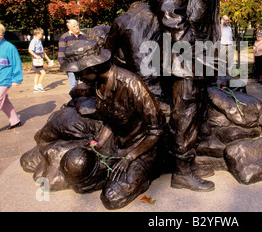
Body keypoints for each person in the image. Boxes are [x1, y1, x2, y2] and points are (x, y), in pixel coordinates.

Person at [150, 0, 220, 192]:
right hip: (188, 56)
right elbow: (169, 9)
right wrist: (189, 48)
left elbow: (159, 1)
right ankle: (181, 170)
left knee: (192, 109)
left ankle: (187, 162)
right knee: (186, 111)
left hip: (194, 53)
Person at [60, 40, 166, 209]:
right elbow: (110, 121)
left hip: (143, 148)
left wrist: (130, 157)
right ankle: (109, 175)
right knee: (77, 171)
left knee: (112, 198)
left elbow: (156, 130)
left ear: (93, 67)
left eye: (80, 73)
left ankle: (141, 176)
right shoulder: (97, 84)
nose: (78, 77)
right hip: (118, 144)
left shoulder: (131, 84)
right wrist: (98, 144)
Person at [58, 19, 86, 91]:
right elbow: (61, 51)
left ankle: (84, 101)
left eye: (77, 25)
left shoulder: (84, 36)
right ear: (69, 28)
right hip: (71, 65)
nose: (77, 27)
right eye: (74, 26)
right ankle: (74, 101)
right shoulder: (65, 37)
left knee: (86, 84)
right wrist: (62, 64)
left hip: (83, 65)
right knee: (74, 85)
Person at [28, 28, 53, 93]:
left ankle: (35, 87)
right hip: (37, 59)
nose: (42, 35)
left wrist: (48, 59)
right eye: (41, 34)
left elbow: (42, 52)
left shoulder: (39, 41)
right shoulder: (34, 41)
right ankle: (39, 85)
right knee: (43, 73)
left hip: (40, 58)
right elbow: (30, 50)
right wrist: (35, 56)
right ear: (38, 34)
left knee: (38, 73)